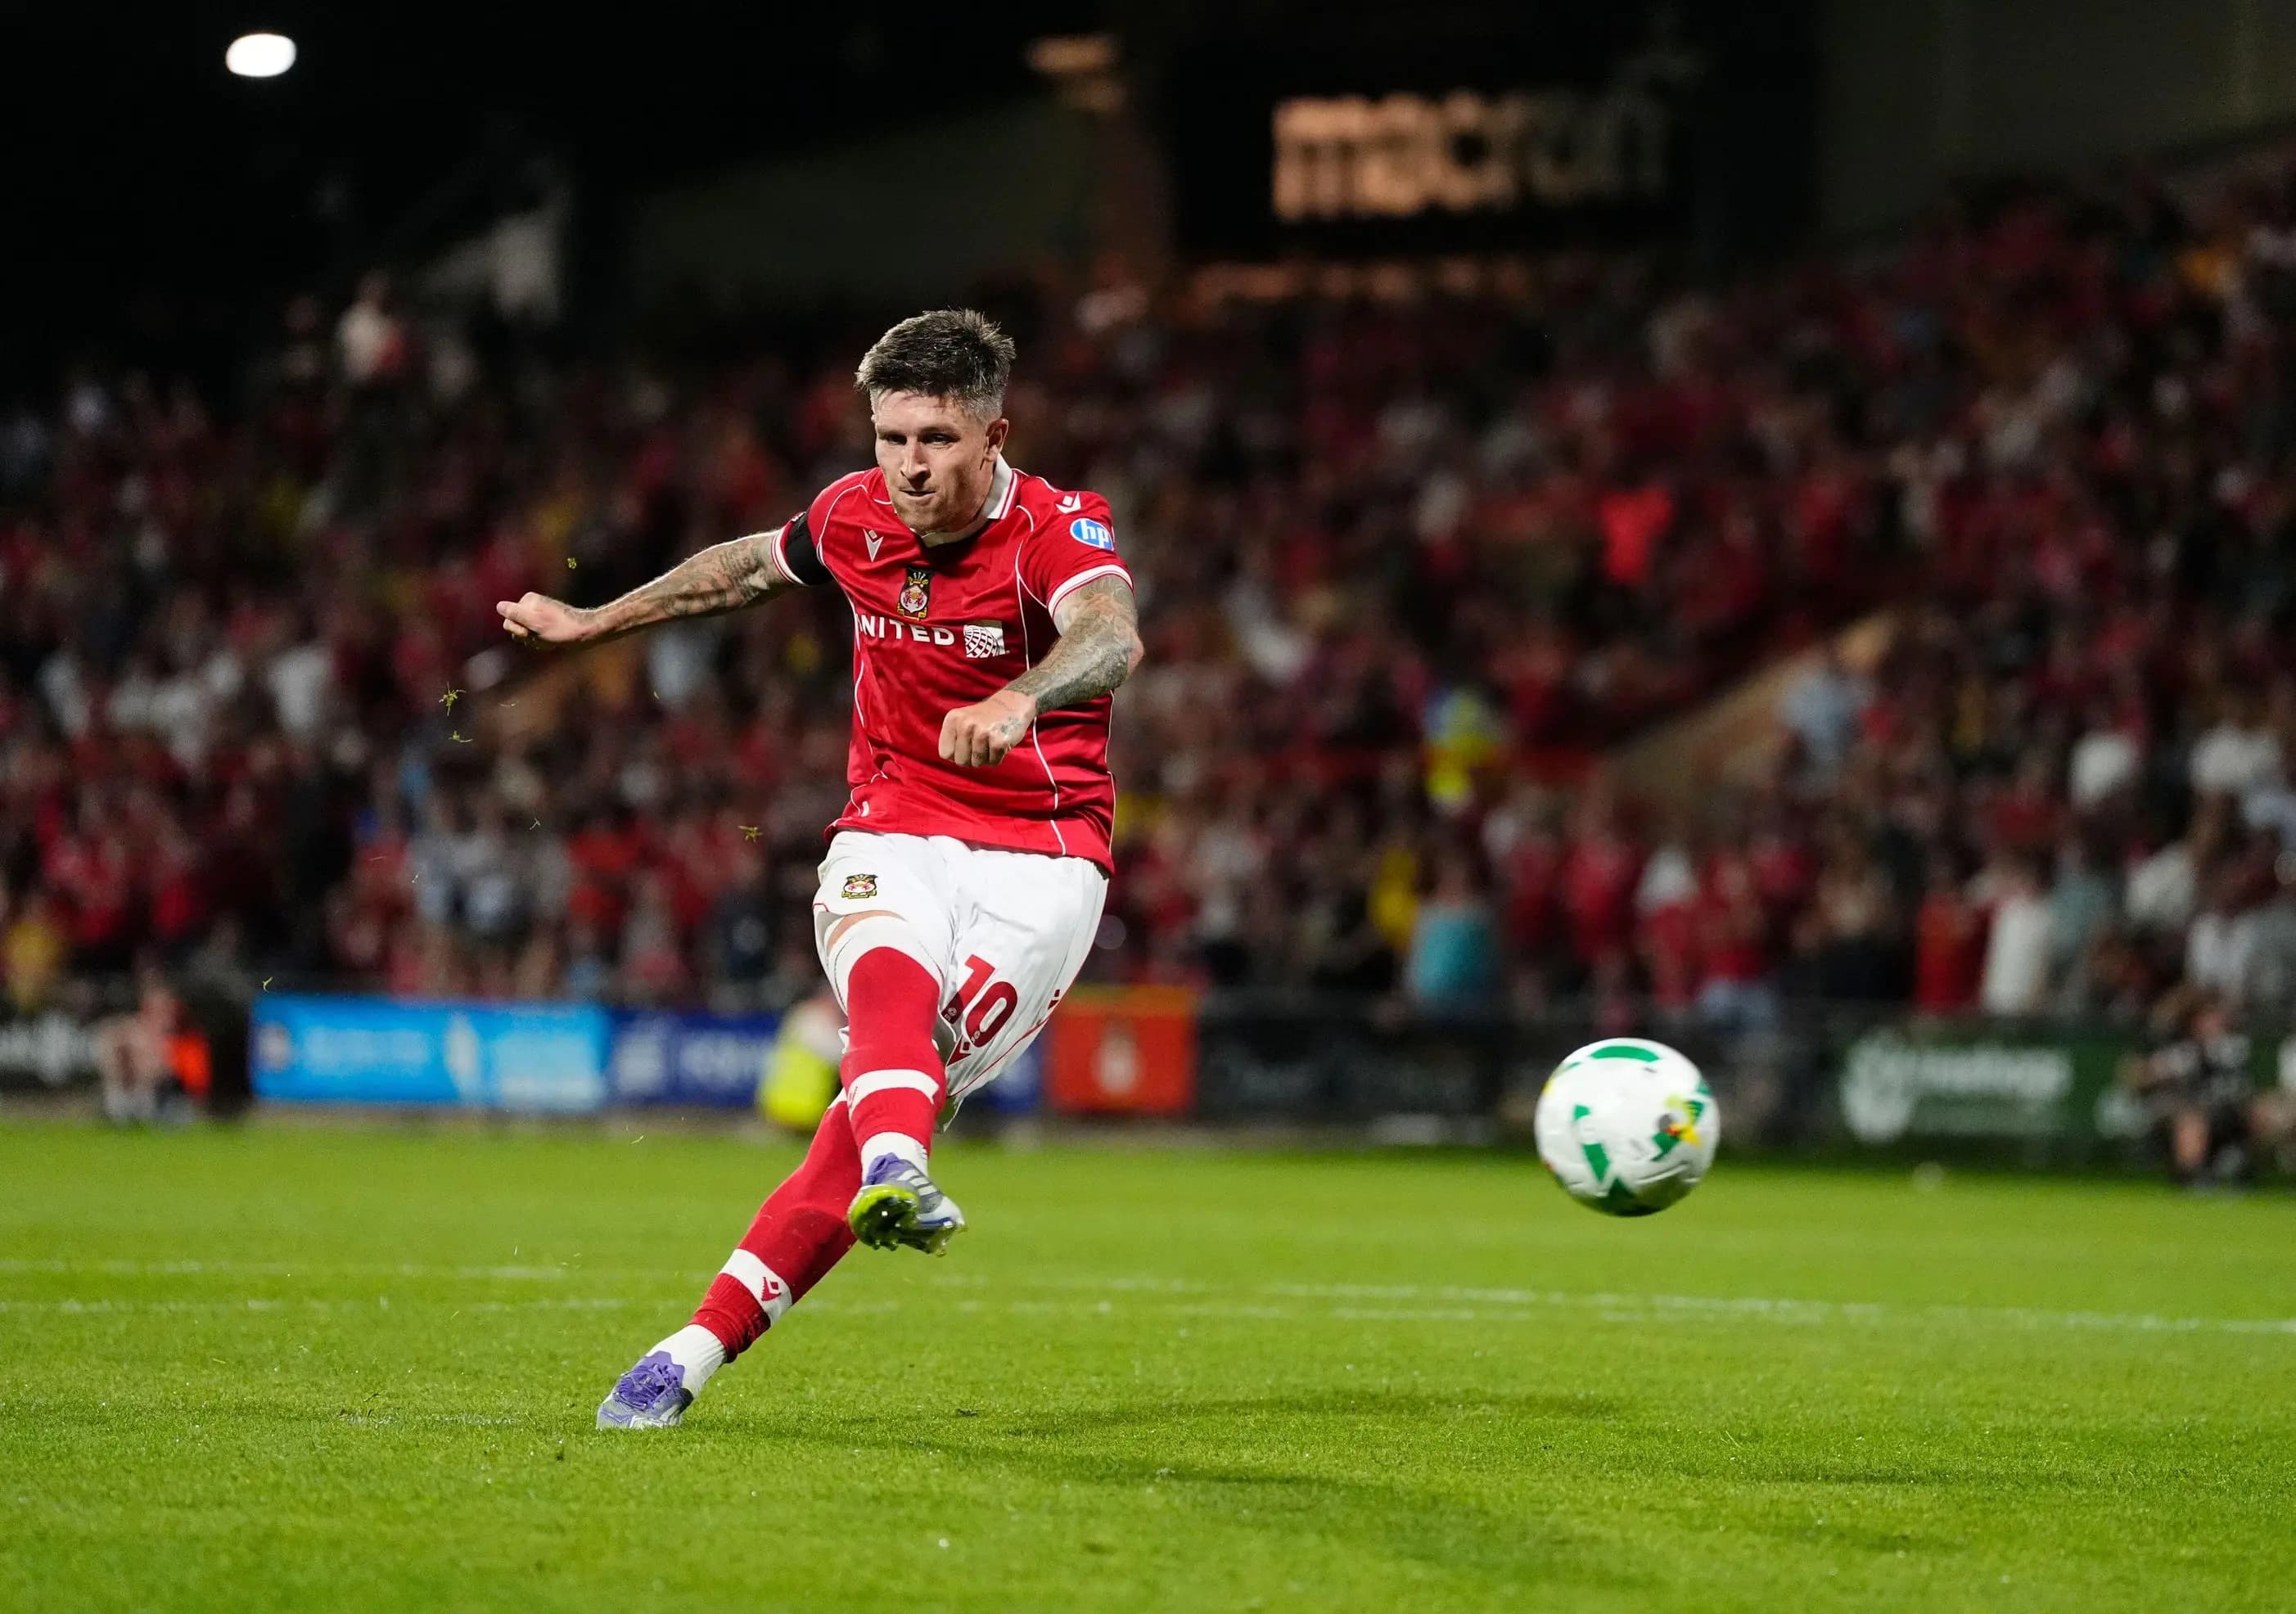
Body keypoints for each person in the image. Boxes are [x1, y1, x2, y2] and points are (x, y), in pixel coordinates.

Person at [495, 311, 1143, 1429]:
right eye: (891, 437)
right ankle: (889, 1176)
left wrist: (1019, 694)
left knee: (888, 1082)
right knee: (884, 970)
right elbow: (742, 569)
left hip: (1044, 854)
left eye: (936, 439)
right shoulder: (852, 516)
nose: (907, 466)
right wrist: (596, 620)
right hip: (893, 816)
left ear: (995, 436)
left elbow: (1112, 638)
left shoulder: (1055, 526)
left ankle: (708, 1332)